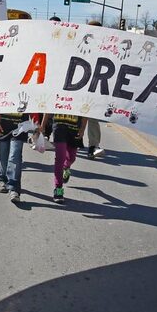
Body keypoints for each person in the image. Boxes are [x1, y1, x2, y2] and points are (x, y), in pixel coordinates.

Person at [0, 111, 40, 203]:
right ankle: (3, 179)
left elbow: (33, 105)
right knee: (3, 154)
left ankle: (14, 188)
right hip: (3, 125)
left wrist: (36, 125)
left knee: (15, 155)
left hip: (20, 127)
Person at [40, 113, 87, 204]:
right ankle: (58, 189)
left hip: (74, 129)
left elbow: (86, 111)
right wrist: (43, 125)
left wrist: (82, 129)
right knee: (59, 158)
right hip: (59, 127)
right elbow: (48, 106)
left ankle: (66, 167)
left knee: (71, 158)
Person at [85, 20, 105, 158]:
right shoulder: (82, 44)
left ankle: (93, 146)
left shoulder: (105, 47)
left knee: (92, 118)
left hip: (94, 87)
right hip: (77, 86)